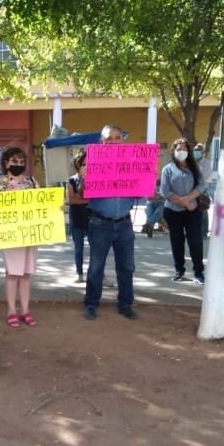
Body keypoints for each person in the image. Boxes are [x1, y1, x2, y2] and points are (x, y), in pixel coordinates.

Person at [83, 125, 138, 321]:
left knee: (127, 267)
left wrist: (148, 179)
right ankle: (91, 304)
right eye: (109, 138)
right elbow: (83, 194)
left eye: (117, 138)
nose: (114, 141)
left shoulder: (133, 163)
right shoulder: (92, 164)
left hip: (124, 224)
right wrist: (85, 178)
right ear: (102, 142)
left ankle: (125, 304)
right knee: (96, 267)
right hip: (100, 224)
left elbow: (139, 193)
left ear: (122, 141)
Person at [0, 147, 43, 326]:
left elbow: (43, 204)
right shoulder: (0, 184)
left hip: (30, 234)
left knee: (25, 274)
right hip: (10, 235)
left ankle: (25, 311)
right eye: (14, 161)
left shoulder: (33, 182)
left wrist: (58, 208)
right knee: (12, 273)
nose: (18, 164)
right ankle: (11, 311)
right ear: (6, 163)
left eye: (21, 161)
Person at [161, 138, 207, 284]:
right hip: (172, 211)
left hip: (192, 210)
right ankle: (179, 271)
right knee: (177, 241)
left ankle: (199, 272)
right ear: (174, 152)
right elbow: (164, 190)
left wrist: (188, 199)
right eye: (179, 149)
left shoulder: (195, 168)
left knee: (195, 242)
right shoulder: (167, 169)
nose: (182, 152)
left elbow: (201, 186)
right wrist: (182, 201)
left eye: (185, 149)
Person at [66, 149, 89, 282]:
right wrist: (88, 201)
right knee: (78, 249)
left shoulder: (96, 179)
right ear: (78, 165)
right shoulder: (71, 181)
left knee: (97, 250)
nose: (86, 166)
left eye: (88, 163)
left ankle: (100, 276)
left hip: (93, 218)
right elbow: (71, 200)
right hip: (77, 219)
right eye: (83, 164)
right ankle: (79, 273)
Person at [193, 143, 213, 238]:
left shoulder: (207, 163)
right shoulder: (193, 163)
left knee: (203, 210)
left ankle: (203, 232)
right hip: (192, 189)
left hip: (203, 190)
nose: (196, 153)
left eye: (198, 151)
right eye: (195, 151)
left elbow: (202, 177)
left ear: (203, 152)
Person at [140, 171, 165, 239]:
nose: (156, 176)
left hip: (162, 203)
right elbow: (149, 197)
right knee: (148, 211)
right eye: (155, 175)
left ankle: (147, 225)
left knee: (158, 212)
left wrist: (156, 196)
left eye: (158, 175)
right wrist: (159, 196)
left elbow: (166, 196)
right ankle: (150, 226)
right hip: (151, 203)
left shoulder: (165, 184)